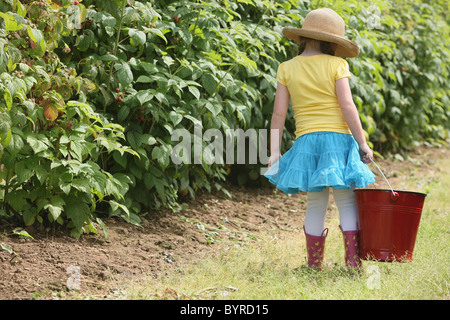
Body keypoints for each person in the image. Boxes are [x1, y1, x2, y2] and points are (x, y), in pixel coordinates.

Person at [264, 8, 375, 271]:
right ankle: (353, 263)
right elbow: (347, 106)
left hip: (307, 143)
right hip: (338, 141)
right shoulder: (337, 64)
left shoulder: (287, 68)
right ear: (333, 42)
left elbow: (278, 114)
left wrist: (274, 152)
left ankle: (313, 266)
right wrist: (362, 143)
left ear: (304, 37)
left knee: (315, 203)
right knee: (346, 200)